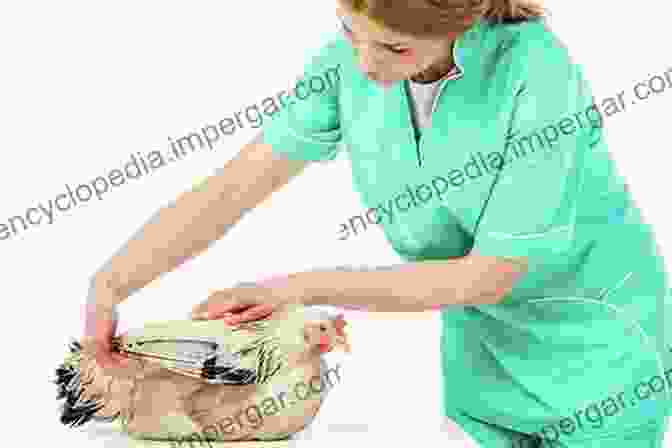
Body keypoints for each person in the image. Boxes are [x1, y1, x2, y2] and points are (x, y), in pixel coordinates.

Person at [86, 0, 671, 446]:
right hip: (483, 355)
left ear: (463, 22)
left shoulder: (538, 75)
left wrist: (296, 289)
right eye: (348, 31)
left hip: (599, 354)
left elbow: (491, 275)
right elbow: (237, 183)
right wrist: (111, 283)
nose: (363, 65)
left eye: (393, 50)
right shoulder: (354, 54)